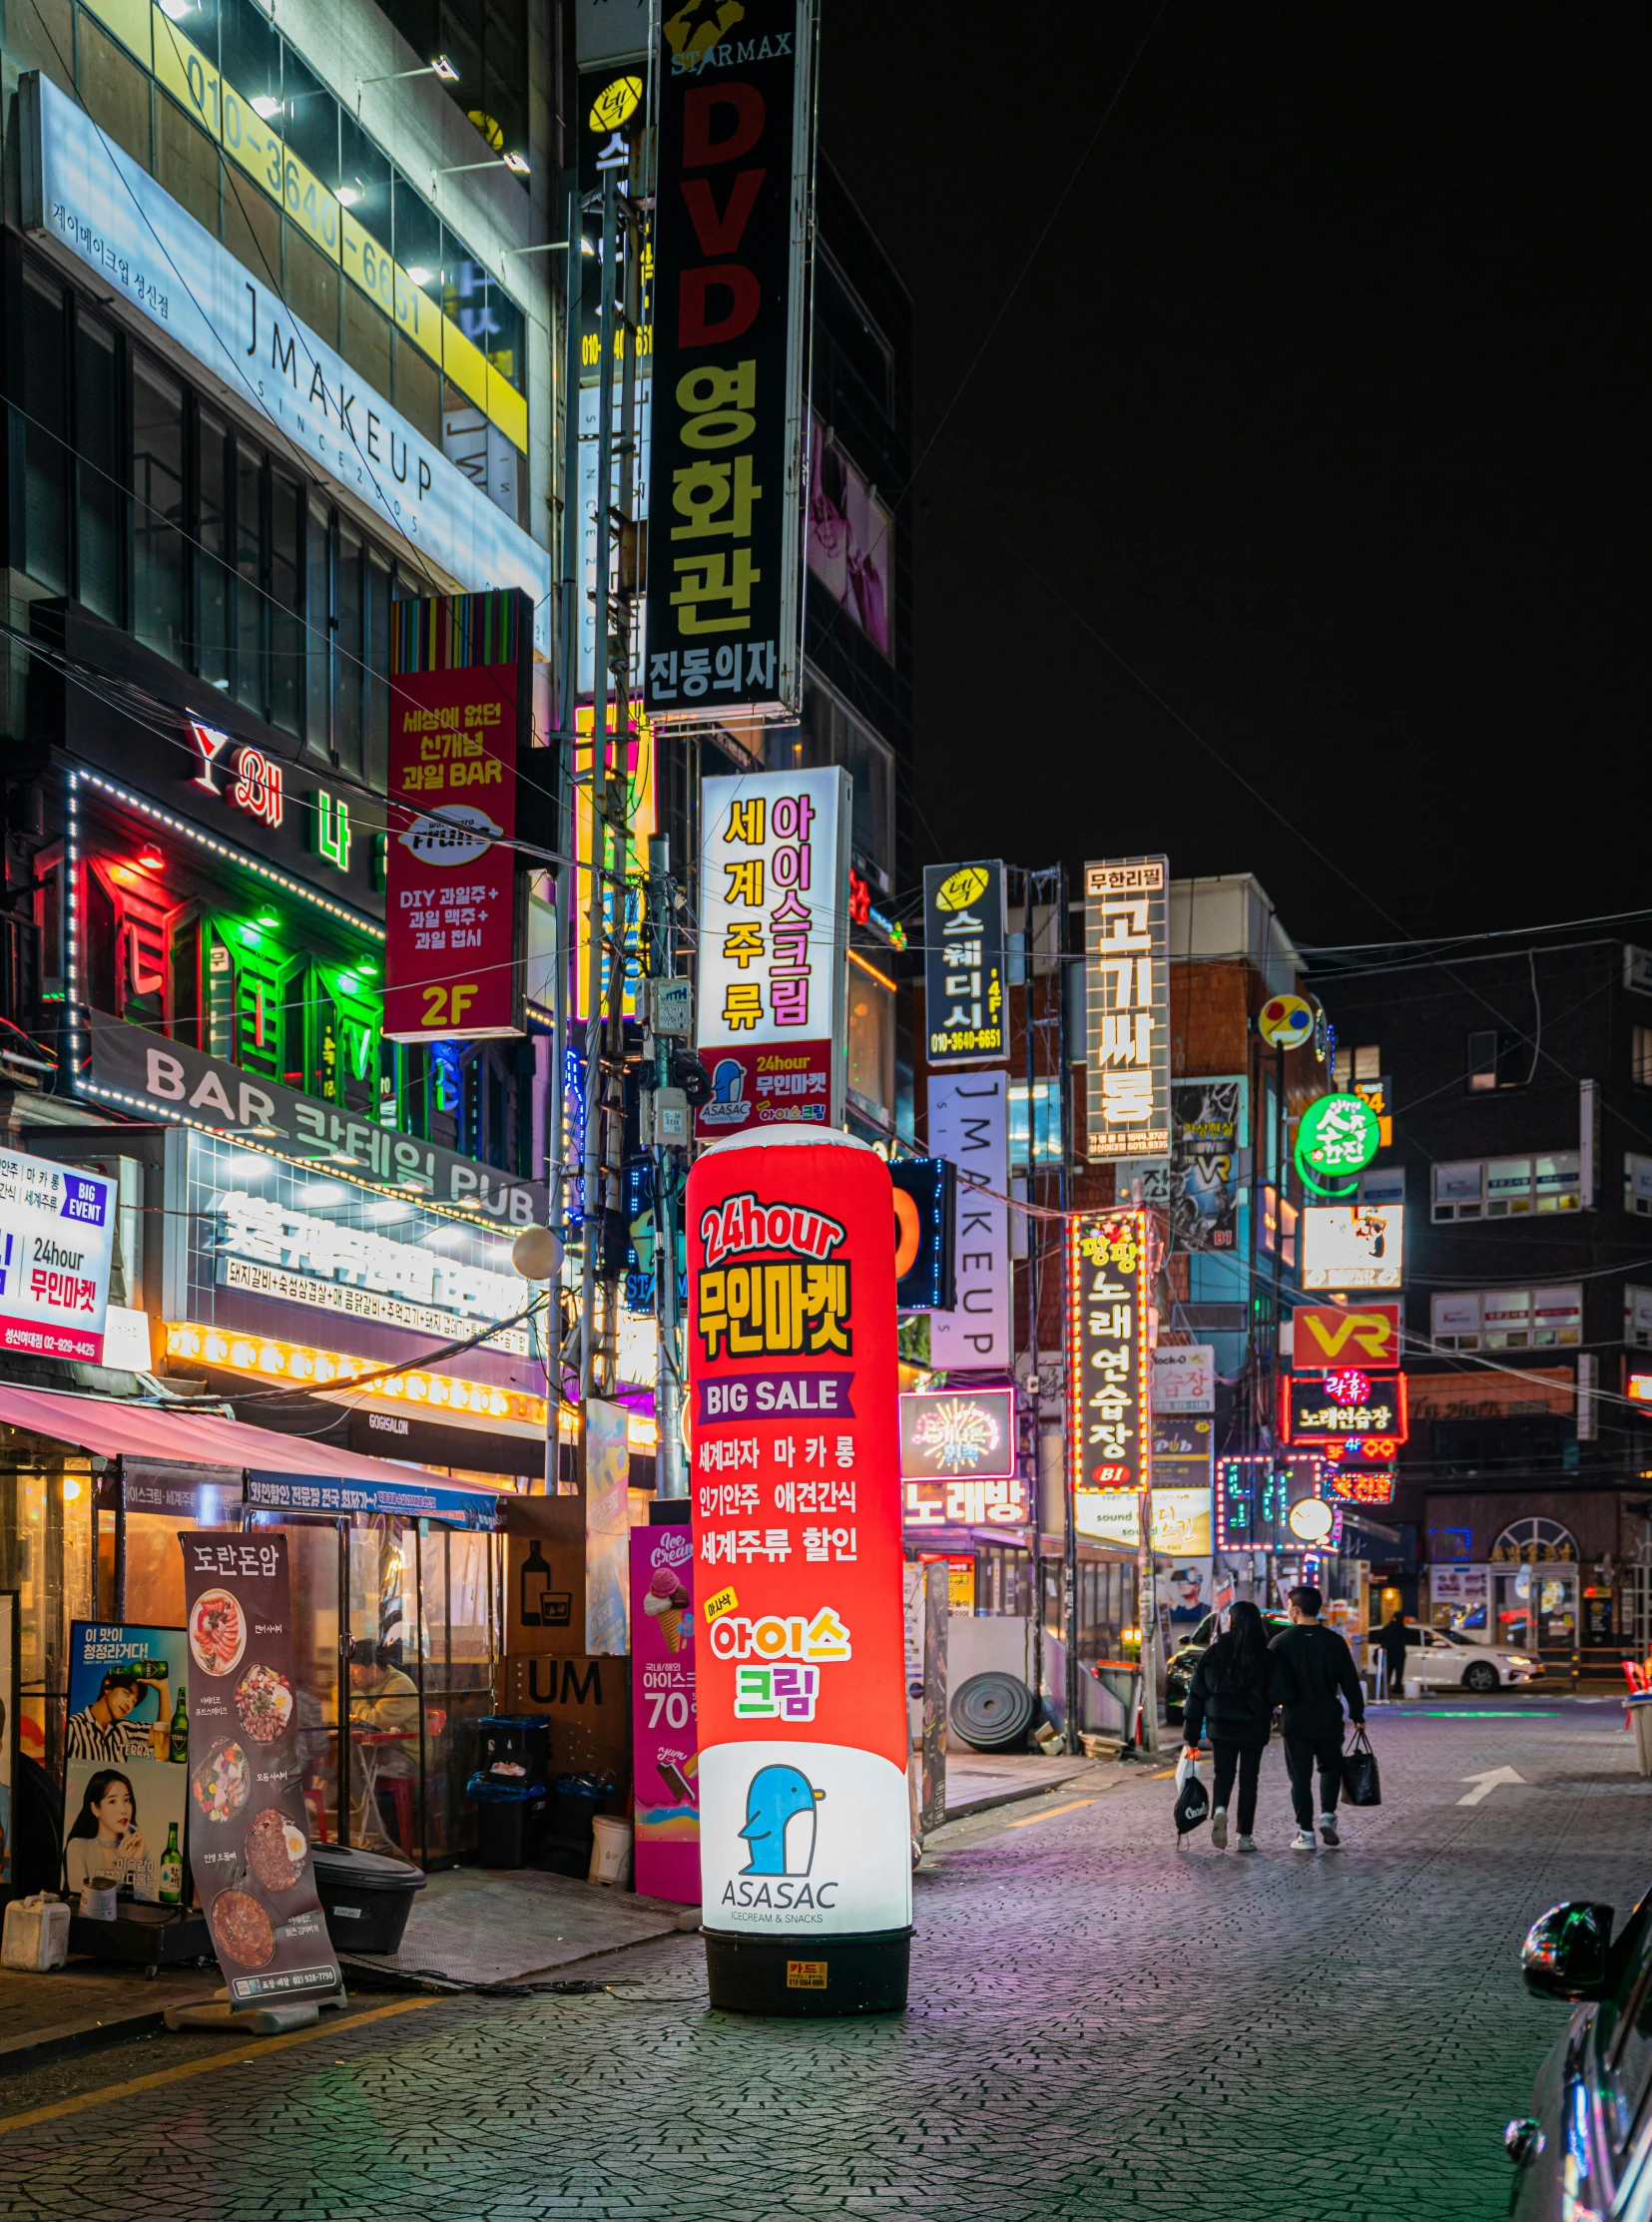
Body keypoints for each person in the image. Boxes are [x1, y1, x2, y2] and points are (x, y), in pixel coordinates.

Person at [1181, 1600, 1289, 1853]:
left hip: (1221, 1727)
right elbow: (1280, 1691)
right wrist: (1265, 1703)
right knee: (1249, 1780)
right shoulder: (1265, 1655)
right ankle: (1245, 1837)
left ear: (1233, 1621)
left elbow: (1195, 1695)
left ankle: (1219, 1810)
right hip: (1254, 1727)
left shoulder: (1214, 1653)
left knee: (1223, 1774)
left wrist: (1192, 1737)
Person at [1270, 1585, 1368, 1852]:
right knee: (1330, 1768)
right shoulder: (1334, 1641)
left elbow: (1269, 1684)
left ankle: (1306, 1833)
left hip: (1296, 1720)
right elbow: (1349, 1682)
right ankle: (1328, 1816)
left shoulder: (1281, 1642)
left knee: (1299, 1778)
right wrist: (1357, 1714)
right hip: (1328, 1718)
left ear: (1296, 1610)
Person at [63, 1770, 150, 1899]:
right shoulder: (77, 1846)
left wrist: (137, 1864)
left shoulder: (138, 1847)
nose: (123, 1809)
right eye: (112, 1801)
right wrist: (122, 1868)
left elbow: (147, 1904)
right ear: (95, 1809)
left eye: (126, 1800)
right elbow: (84, 1900)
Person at [66, 1668, 165, 1763]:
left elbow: (162, 1737)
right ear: (107, 1687)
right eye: (126, 1693)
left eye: (134, 1701)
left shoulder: (123, 1729)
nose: (129, 1704)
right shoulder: (73, 1727)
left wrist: (163, 1689)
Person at [1376, 1609, 1412, 1701]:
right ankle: (1397, 1688)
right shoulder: (1403, 1629)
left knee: (1387, 1672)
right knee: (1399, 1673)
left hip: (1389, 1654)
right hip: (1400, 1654)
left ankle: (1385, 1689)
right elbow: (1409, 1638)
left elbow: (1379, 1638)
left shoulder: (1388, 1628)